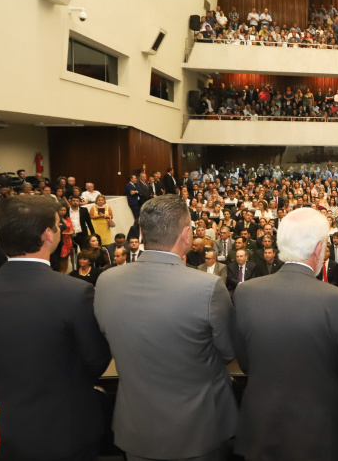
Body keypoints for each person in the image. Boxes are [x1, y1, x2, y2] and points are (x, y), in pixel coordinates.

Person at [0, 195, 111, 460]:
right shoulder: (76, 293)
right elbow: (96, 361)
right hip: (65, 433)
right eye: (57, 225)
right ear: (47, 235)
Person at [95, 195, 237, 461]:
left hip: (136, 428)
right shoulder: (207, 287)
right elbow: (228, 352)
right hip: (198, 428)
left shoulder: (106, 281)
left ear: (141, 231)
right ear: (186, 234)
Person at [232, 207, 338, 461]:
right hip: (317, 432)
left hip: (260, 427)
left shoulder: (246, 292)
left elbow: (245, 363)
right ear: (318, 248)